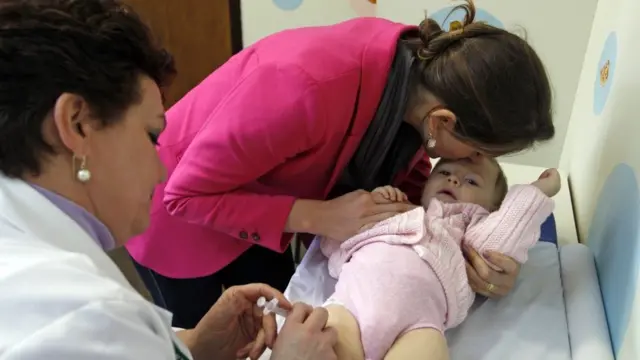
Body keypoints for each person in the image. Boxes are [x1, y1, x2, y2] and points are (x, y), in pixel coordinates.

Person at [126, 0, 555, 329]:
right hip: (176, 217)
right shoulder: (303, 87)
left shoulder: (414, 81)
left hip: (265, 211)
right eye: (475, 152)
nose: (463, 166)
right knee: (205, 336)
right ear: (442, 122)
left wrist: (469, 251)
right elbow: (186, 195)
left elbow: (408, 172)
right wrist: (320, 216)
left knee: (272, 321)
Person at [0, 1, 337, 359]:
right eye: (151, 136)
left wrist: (190, 346)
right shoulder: (84, 316)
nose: (160, 170)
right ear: (77, 123)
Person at [320, 158, 560, 359]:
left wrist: (536, 191)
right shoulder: (398, 212)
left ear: (494, 210)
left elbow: (503, 236)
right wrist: (377, 202)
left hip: (416, 328)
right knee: (324, 341)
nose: (453, 179)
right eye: (444, 172)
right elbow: (334, 239)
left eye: (472, 181)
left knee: (430, 349)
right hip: (350, 306)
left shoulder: (469, 233)